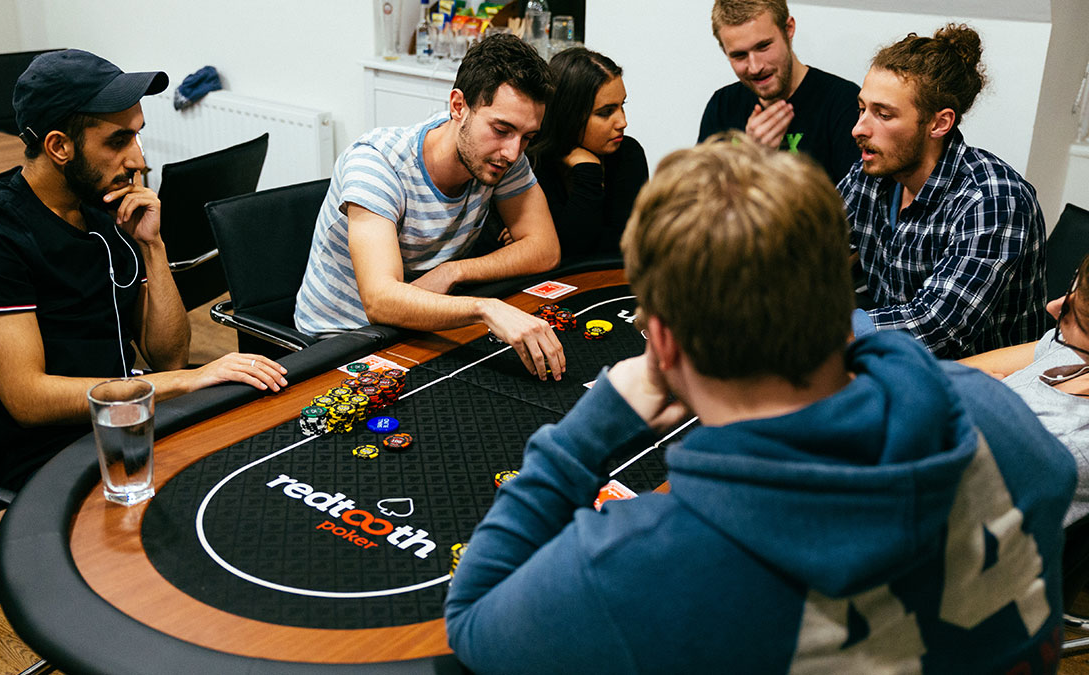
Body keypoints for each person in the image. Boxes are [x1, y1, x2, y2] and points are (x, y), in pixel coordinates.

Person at [444, 135, 1074, 673]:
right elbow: (1055, 475)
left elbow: (473, 621)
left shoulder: (638, 566)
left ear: (662, 342)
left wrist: (587, 432)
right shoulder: (1002, 418)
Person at [0, 50, 288, 491]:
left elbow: (168, 355)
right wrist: (184, 382)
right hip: (42, 461)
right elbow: (28, 399)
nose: (139, 160)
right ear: (59, 146)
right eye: (118, 141)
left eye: (138, 137)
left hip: (121, 424)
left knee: (264, 463)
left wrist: (153, 247)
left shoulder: (105, 211)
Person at [293, 34, 566, 381]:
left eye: (527, 137)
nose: (513, 152)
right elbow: (380, 300)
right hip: (339, 344)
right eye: (502, 129)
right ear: (458, 107)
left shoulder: (499, 159)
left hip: (417, 331)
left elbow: (544, 249)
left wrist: (453, 272)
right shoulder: (376, 163)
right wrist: (486, 308)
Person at [842, 24, 1046, 359]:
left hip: (980, 384)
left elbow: (935, 327)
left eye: (884, 114)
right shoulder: (873, 174)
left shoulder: (993, 199)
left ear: (939, 124)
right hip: (895, 362)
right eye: (862, 108)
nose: (859, 128)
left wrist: (818, 328)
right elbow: (808, 242)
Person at [961, 254, 1089, 527]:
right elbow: (950, 373)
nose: (1053, 307)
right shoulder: (1072, 350)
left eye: (1076, 309)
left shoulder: (1064, 442)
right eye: (1072, 286)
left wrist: (967, 396)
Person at [698, 0, 859, 184]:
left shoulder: (842, 102)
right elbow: (700, 201)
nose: (755, 67)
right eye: (739, 55)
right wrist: (749, 158)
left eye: (763, 46)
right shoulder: (723, 105)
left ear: (788, 29)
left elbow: (857, 205)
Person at [526, 47, 648, 260]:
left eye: (622, 106)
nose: (622, 122)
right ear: (569, 115)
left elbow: (629, 247)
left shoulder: (629, 154)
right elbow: (565, 252)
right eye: (606, 112)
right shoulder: (532, 162)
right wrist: (588, 170)